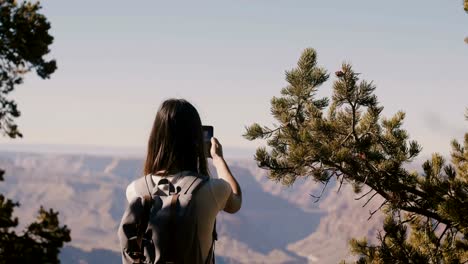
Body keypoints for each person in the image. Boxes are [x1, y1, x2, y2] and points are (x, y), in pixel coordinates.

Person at [125, 98, 242, 263]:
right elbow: (235, 201)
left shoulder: (135, 190)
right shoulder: (213, 189)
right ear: (196, 139)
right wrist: (218, 159)